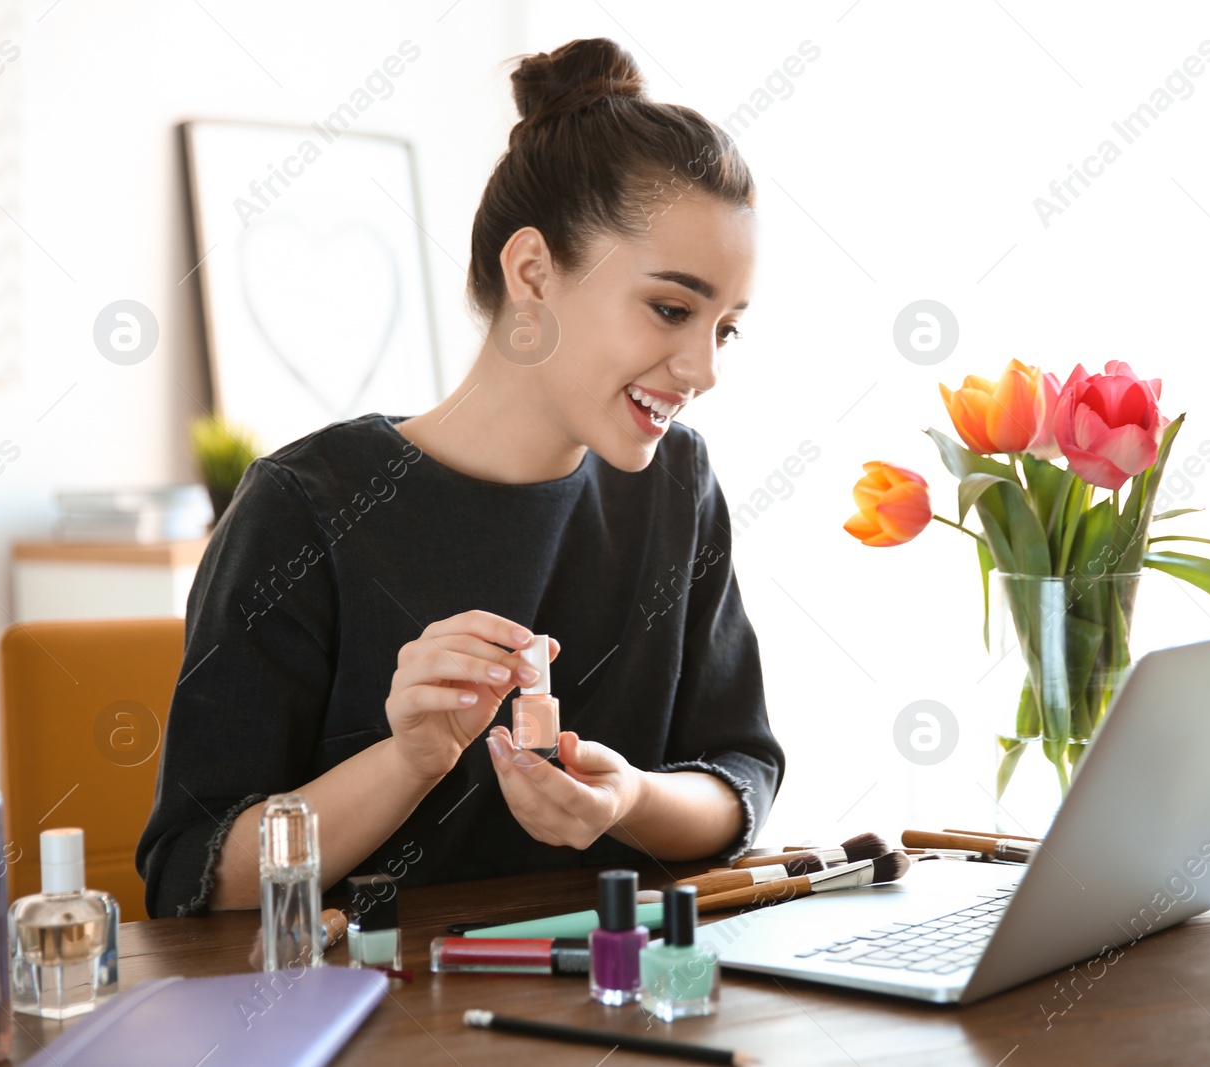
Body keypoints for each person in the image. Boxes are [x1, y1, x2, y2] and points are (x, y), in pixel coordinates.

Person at [135, 36, 785, 917]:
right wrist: (407, 760)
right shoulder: (304, 506)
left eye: (726, 328)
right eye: (671, 309)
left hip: (620, 1010)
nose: (703, 369)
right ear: (532, 272)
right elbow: (194, 880)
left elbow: (736, 778)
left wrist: (627, 800)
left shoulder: (676, 486)